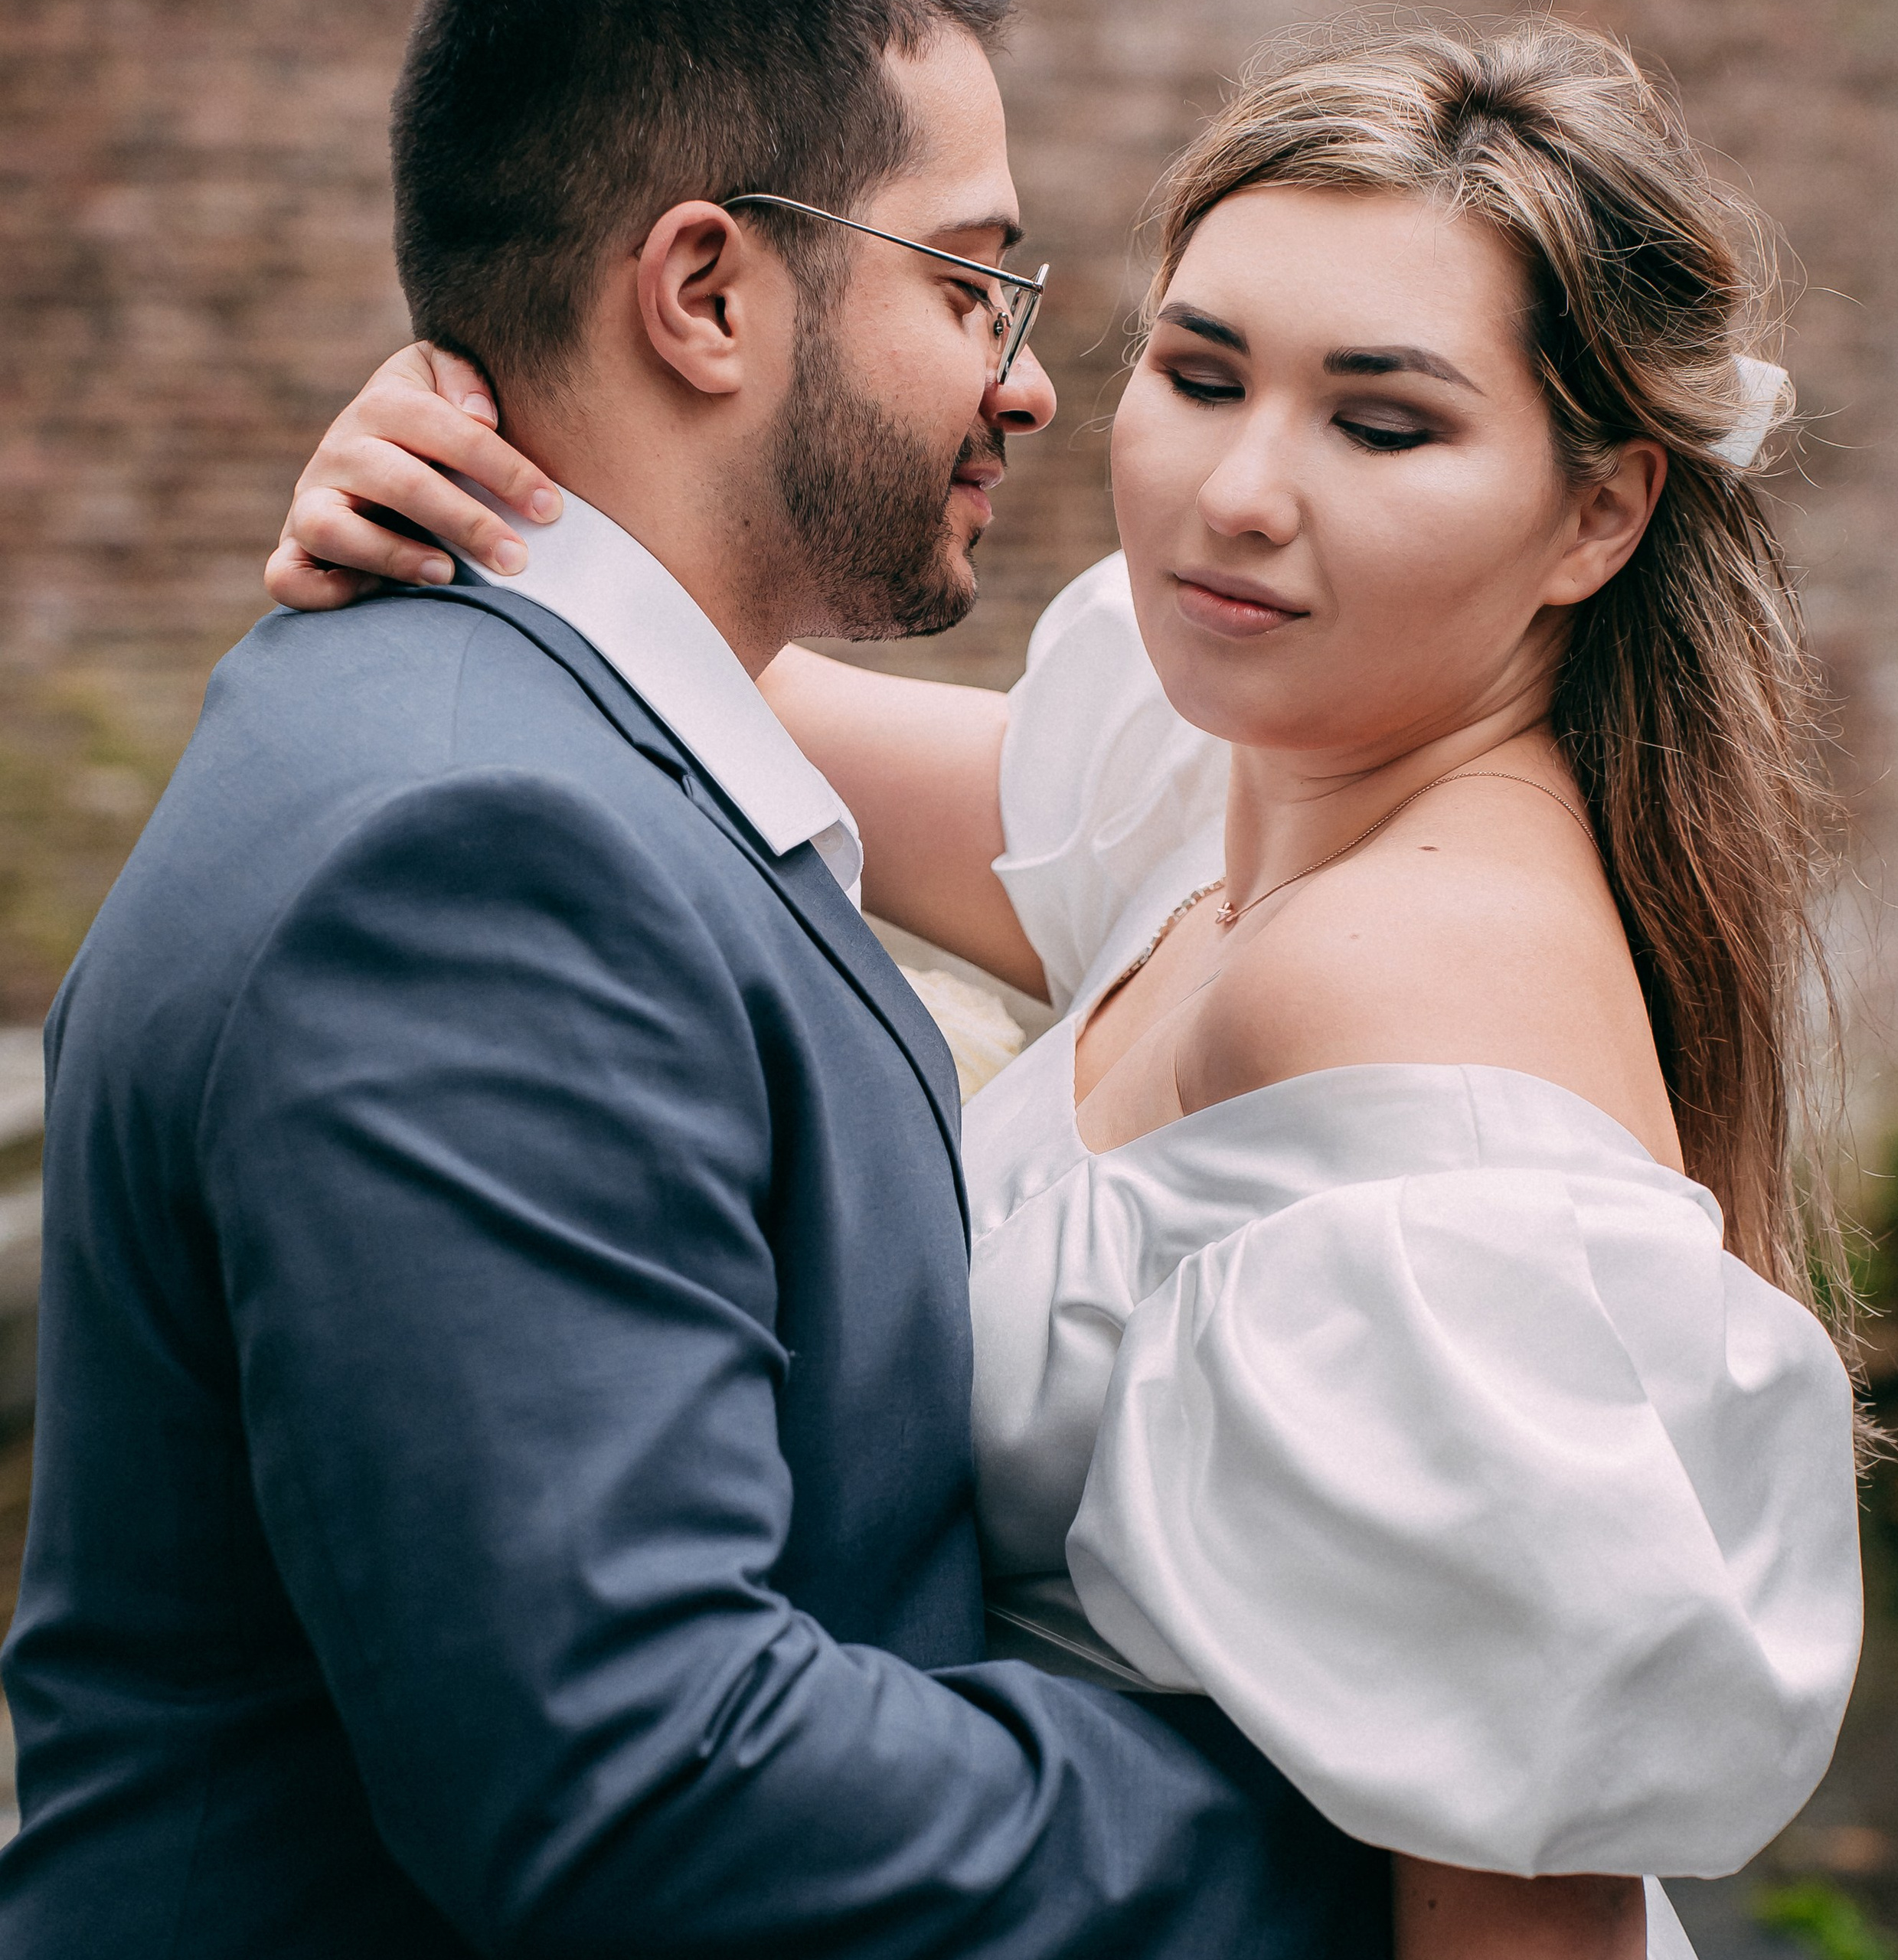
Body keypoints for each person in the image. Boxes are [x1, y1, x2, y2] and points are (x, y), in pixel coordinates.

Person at [273, 17, 1869, 1959]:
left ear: (1598, 512)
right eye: (1198, 376)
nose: (1237, 495)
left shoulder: (1412, 982)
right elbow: (698, 663)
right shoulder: (1212, 777)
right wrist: (466, 469)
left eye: (1380, 423)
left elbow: (1518, 1909)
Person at [0, 5, 1414, 1955]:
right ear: (704, 295)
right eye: (972, 280)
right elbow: (644, 1775)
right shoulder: (479, 862)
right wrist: (1367, 1838)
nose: (1025, 386)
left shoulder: (533, 742)